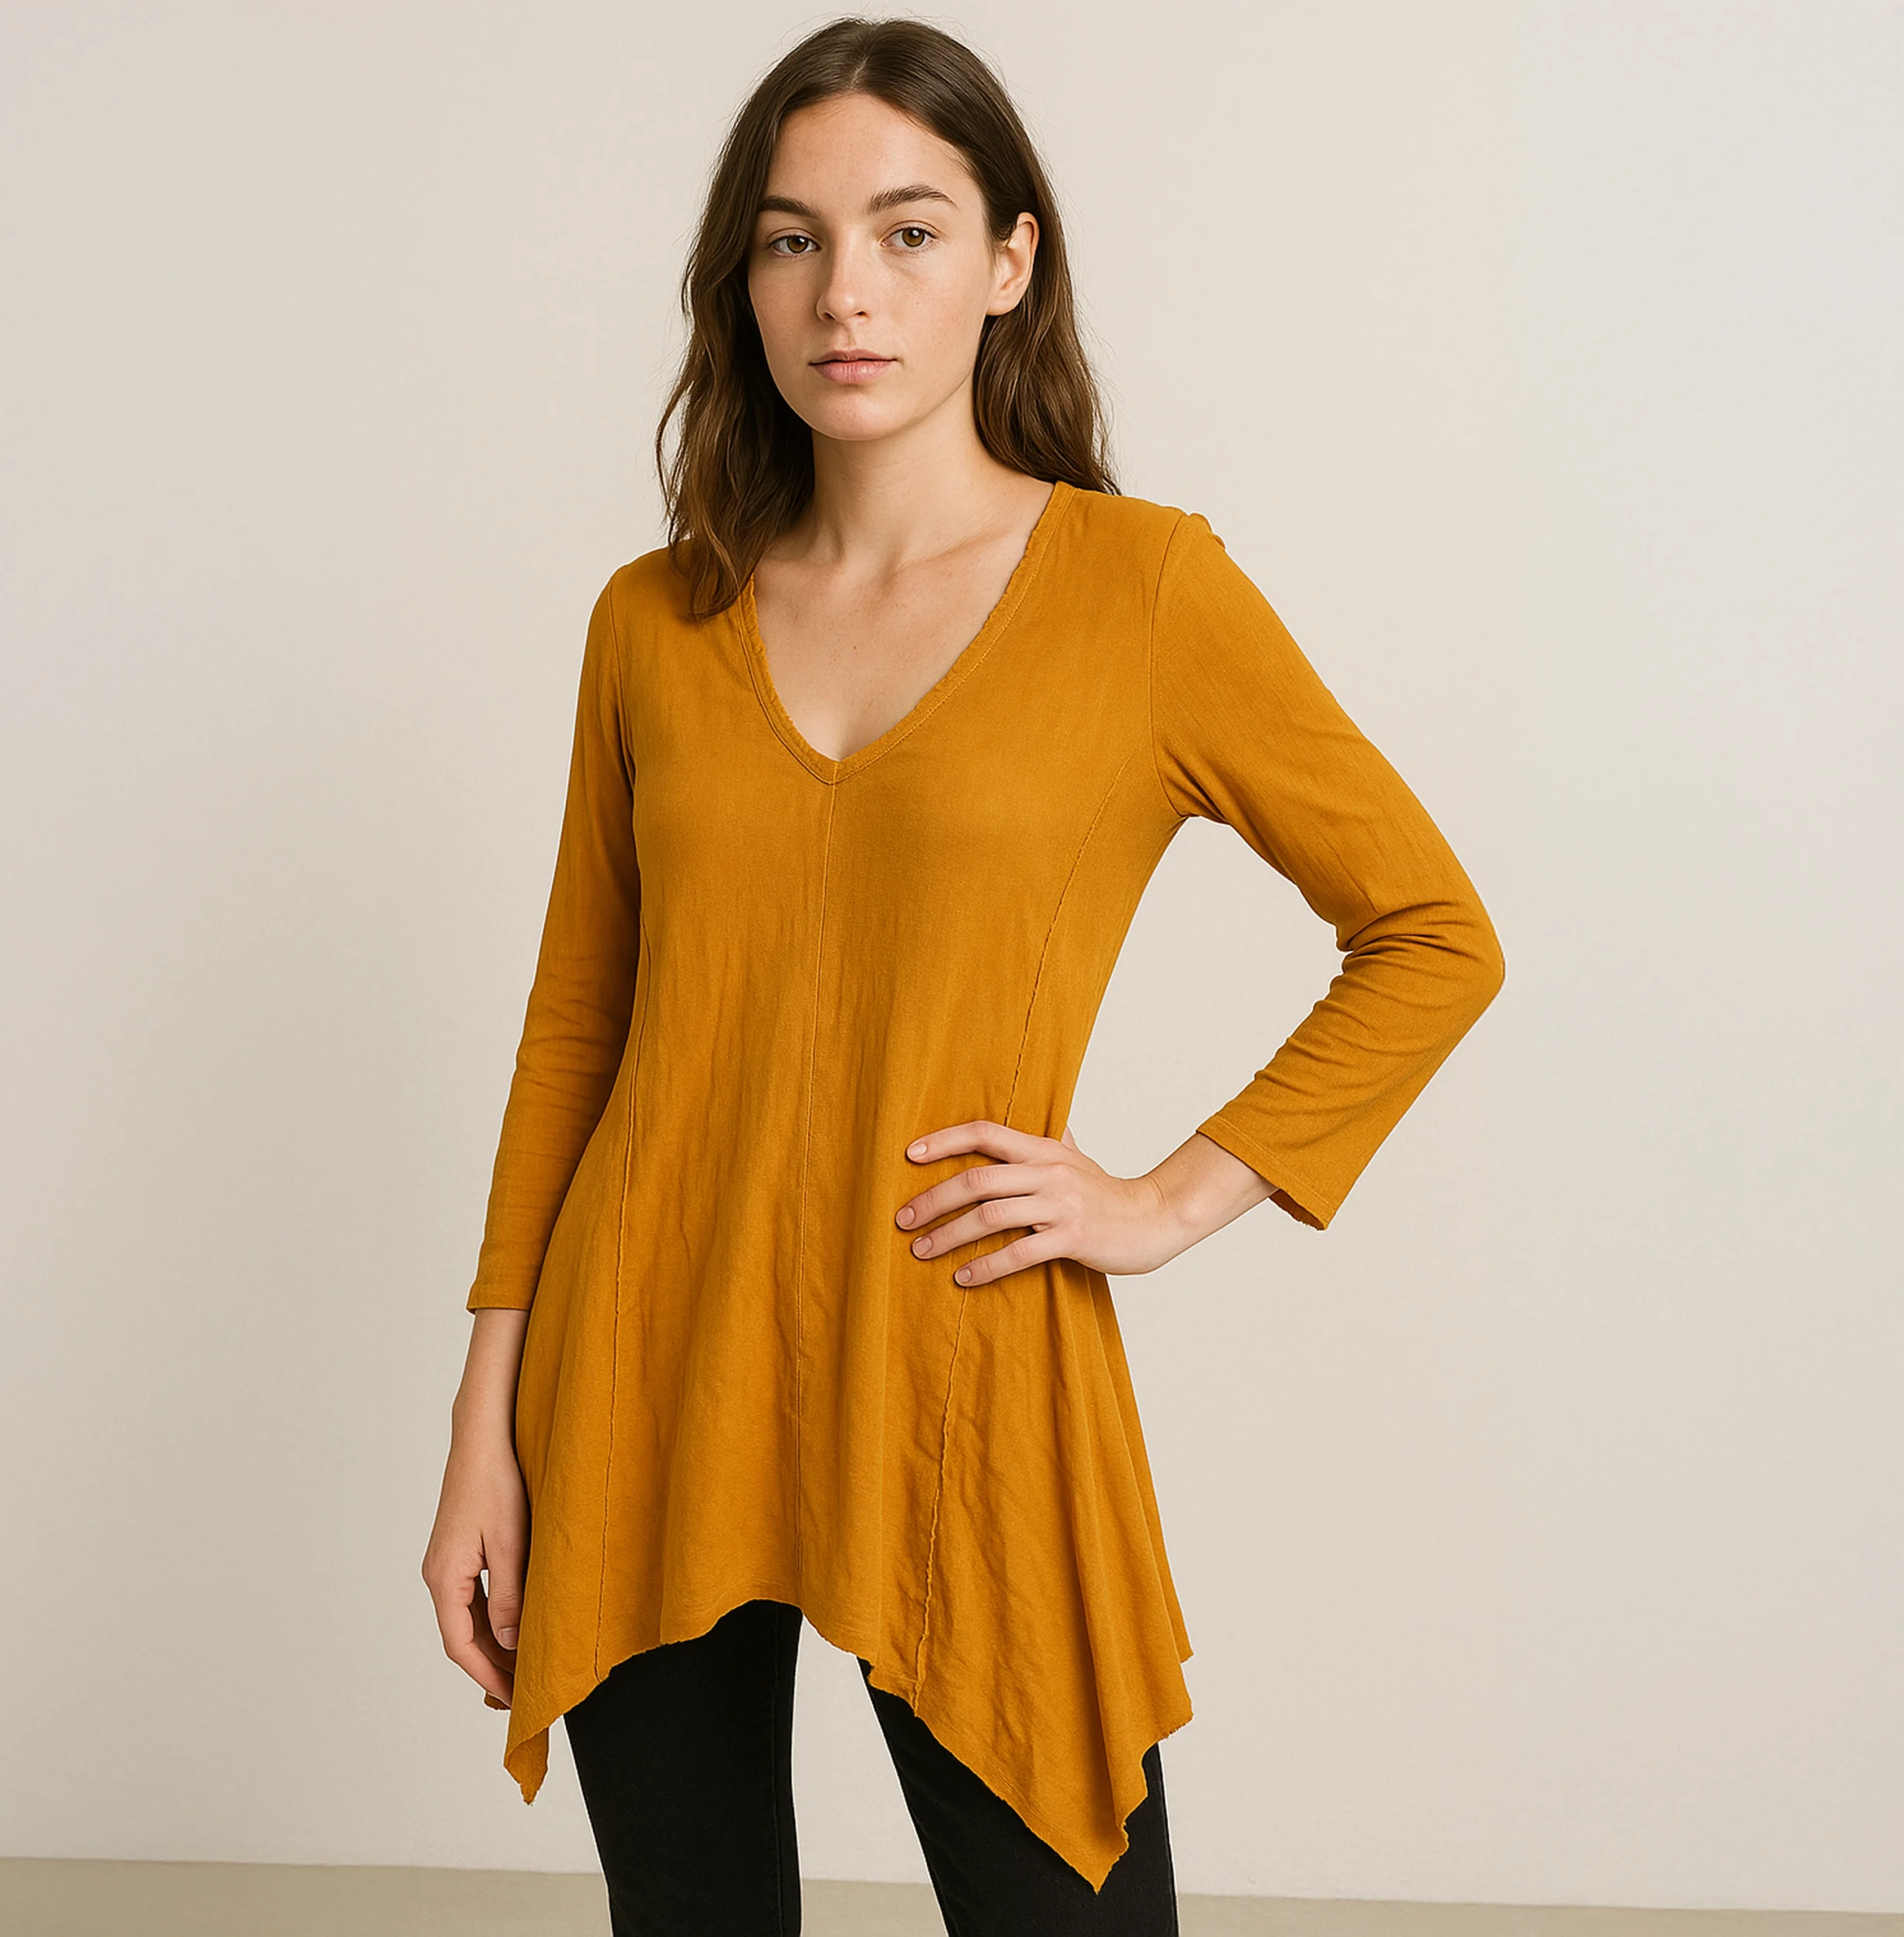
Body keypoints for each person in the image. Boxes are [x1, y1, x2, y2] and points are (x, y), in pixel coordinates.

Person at [421, 16, 1505, 1935]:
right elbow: (579, 1019)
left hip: (959, 1349)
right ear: (742, 278)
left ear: (1009, 262)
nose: (843, 291)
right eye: (791, 238)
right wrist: (481, 1423)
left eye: (906, 231)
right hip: (645, 1356)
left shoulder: (1142, 589)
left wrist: (1165, 1197)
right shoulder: (654, 618)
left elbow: (1428, 931)